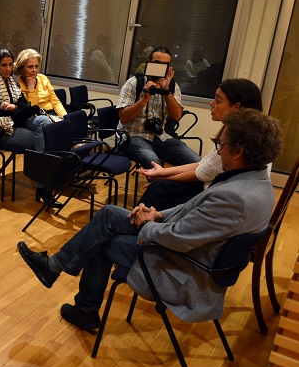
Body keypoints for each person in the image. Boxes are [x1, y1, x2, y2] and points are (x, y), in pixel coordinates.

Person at [17, 108, 282, 330]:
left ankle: (83, 307)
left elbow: (178, 238)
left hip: (185, 271)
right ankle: (54, 266)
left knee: (102, 244)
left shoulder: (234, 197)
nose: (219, 152)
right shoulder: (258, 185)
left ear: (238, 151)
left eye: (220, 145)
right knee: (109, 213)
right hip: (192, 252)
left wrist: (146, 224)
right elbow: (192, 211)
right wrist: (157, 214)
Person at [137, 78, 265, 210]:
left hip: (219, 197)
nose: (211, 104)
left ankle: (137, 224)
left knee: (161, 190)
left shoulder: (239, 136)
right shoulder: (245, 130)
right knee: (160, 187)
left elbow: (202, 172)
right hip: (215, 189)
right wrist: (163, 172)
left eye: (218, 100)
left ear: (236, 107)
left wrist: (163, 175)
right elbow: (204, 164)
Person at [0, 48, 55, 205]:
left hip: (17, 120)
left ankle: (44, 182)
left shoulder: (13, 81)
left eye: (10, 65)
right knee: (46, 141)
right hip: (0, 128)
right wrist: (13, 107)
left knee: (45, 122)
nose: (8, 69)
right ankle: (44, 186)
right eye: (3, 65)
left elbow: (23, 104)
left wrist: (13, 107)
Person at [117, 46, 201, 169]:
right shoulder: (134, 83)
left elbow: (176, 116)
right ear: (149, 63)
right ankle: (159, 187)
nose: (160, 67)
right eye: (157, 63)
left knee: (197, 162)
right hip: (132, 135)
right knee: (154, 162)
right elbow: (123, 118)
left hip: (159, 136)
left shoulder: (172, 86)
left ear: (169, 68)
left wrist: (166, 90)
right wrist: (145, 98)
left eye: (165, 64)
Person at [14, 48, 67, 120]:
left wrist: (65, 116)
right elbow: (32, 110)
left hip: (53, 114)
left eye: (36, 66)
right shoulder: (17, 85)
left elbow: (56, 102)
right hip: (40, 118)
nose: (34, 70)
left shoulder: (43, 78)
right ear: (21, 69)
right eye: (30, 67)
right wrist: (31, 87)